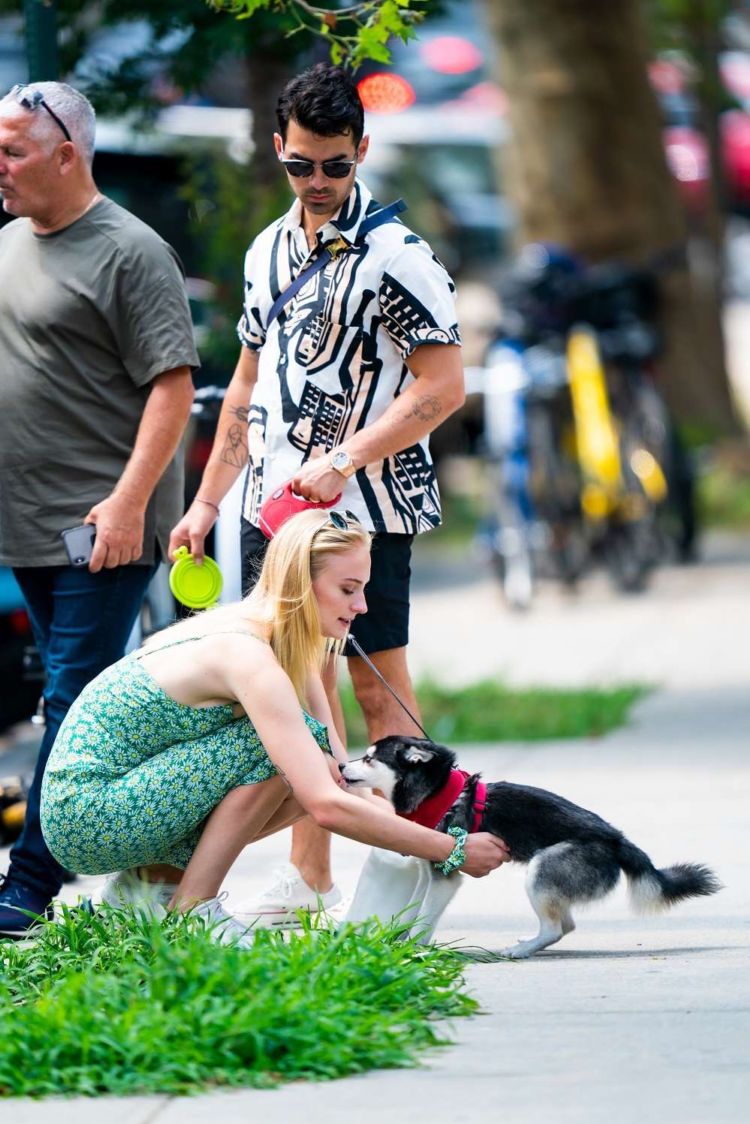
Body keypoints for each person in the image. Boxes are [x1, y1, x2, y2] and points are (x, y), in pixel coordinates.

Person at [169, 63, 465, 924]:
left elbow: (442, 388)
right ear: (278, 152)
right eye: (302, 165)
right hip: (274, 510)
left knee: (378, 688)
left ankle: (424, 861)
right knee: (301, 689)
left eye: (335, 165)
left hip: (366, 509)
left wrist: (347, 457)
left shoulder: (399, 256)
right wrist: (206, 499)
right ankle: (311, 878)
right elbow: (245, 389)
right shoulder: (268, 252)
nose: (320, 182)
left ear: (361, 152)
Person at [38, 510, 509, 942]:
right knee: (275, 751)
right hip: (86, 814)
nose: (362, 605)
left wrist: (413, 825)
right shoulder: (249, 656)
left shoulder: (284, 640)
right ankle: (191, 915)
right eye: (347, 589)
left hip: (116, 803)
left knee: (310, 757)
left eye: (362, 588)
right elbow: (325, 806)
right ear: (301, 584)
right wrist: (450, 849)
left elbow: (340, 775)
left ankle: (146, 891)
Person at [0, 82, 198, 938]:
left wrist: (127, 504)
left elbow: (174, 388)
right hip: (21, 517)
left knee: (72, 696)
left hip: (100, 526)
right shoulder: (9, 243)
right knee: (63, 697)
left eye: (12, 151)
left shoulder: (130, 250)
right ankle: (150, 845)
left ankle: (29, 886)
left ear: (65, 154)